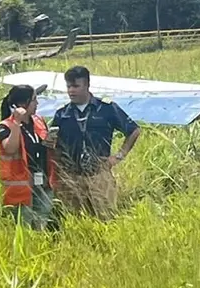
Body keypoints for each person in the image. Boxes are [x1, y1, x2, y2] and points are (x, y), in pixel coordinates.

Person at [50, 65, 141, 222]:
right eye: (68, 86)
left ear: (87, 85)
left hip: (99, 175)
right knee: (76, 221)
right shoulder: (62, 114)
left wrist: (118, 156)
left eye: (76, 86)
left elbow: (133, 131)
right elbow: (55, 144)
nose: (71, 91)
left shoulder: (106, 109)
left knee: (107, 219)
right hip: (72, 177)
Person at [0, 84, 58, 230]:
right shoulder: (6, 126)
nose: (37, 104)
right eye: (34, 100)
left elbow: (39, 146)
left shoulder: (38, 121)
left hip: (42, 180)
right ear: (23, 104)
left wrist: (49, 142)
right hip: (21, 185)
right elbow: (10, 149)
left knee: (41, 219)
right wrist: (17, 122)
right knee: (24, 226)